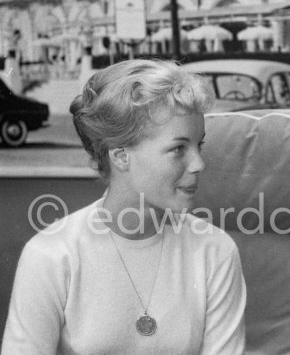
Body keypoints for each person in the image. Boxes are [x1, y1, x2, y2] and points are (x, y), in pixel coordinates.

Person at [2, 59, 246, 354]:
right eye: (178, 149)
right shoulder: (52, 255)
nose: (199, 163)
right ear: (120, 157)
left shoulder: (215, 251)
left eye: (199, 145)